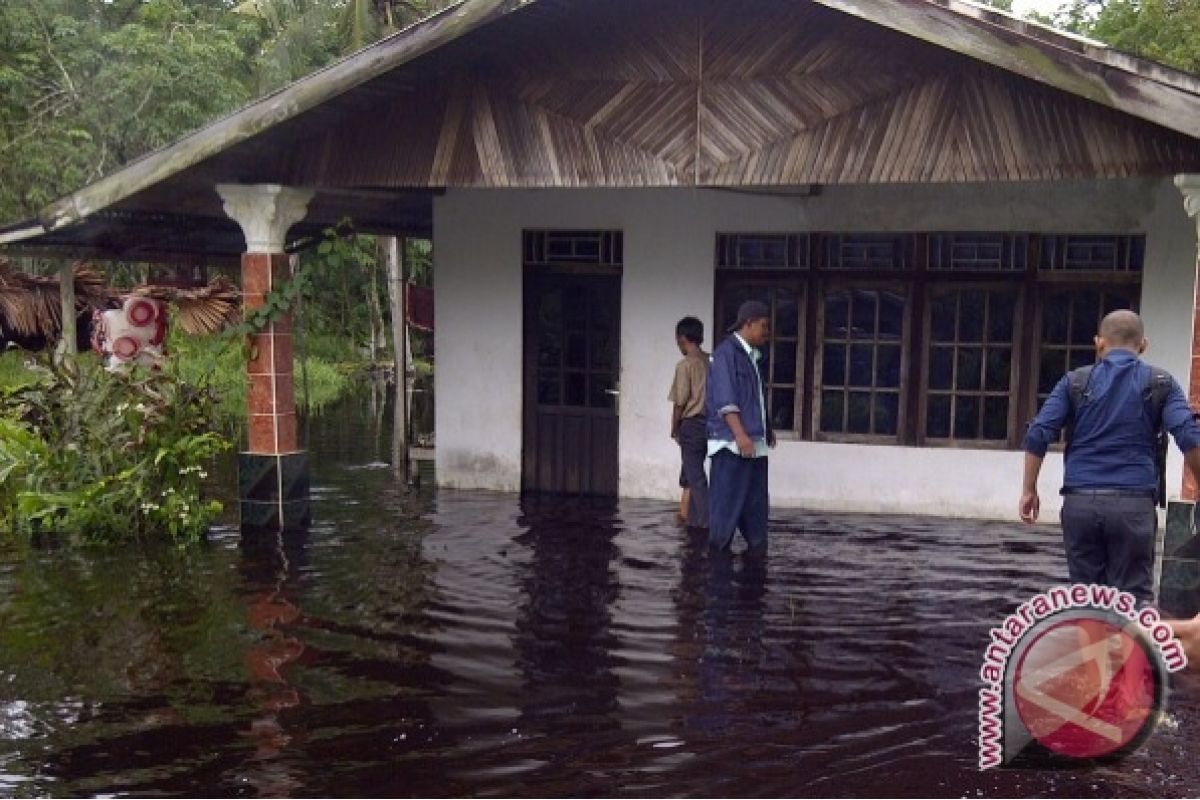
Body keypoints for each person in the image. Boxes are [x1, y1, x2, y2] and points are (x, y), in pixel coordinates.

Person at [1020, 309, 1200, 603]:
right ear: (1143, 345)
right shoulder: (1161, 383)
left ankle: (1091, 648)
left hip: (1080, 505)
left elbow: (1039, 432)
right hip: (1133, 506)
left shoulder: (1074, 383)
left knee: (1086, 600)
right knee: (1133, 600)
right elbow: (1190, 436)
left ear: (1098, 343)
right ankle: (1129, 650)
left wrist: (1029, 489)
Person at [706, 300, 776, 552]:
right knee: (725, 512)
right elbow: (726, 400)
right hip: (732, 445)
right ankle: (715, 573)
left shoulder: (752, 357)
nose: (767, 332)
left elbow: (754, 398)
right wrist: (740, 435)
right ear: (748, 323)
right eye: (764, 326)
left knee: (756, 509)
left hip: (753, 444)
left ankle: (756, 567)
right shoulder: (726, 355)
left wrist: (766, 429)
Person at [669, 316, 709, 530]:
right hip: (710, 425)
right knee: (691, 471)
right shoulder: (711, 361)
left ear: (682, 338)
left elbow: (680, 402)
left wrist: (674, 428)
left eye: (678, 341)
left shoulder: (685, 365)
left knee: (695, 476)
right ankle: (684, 514)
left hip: (692, 425)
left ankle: (705, 523)